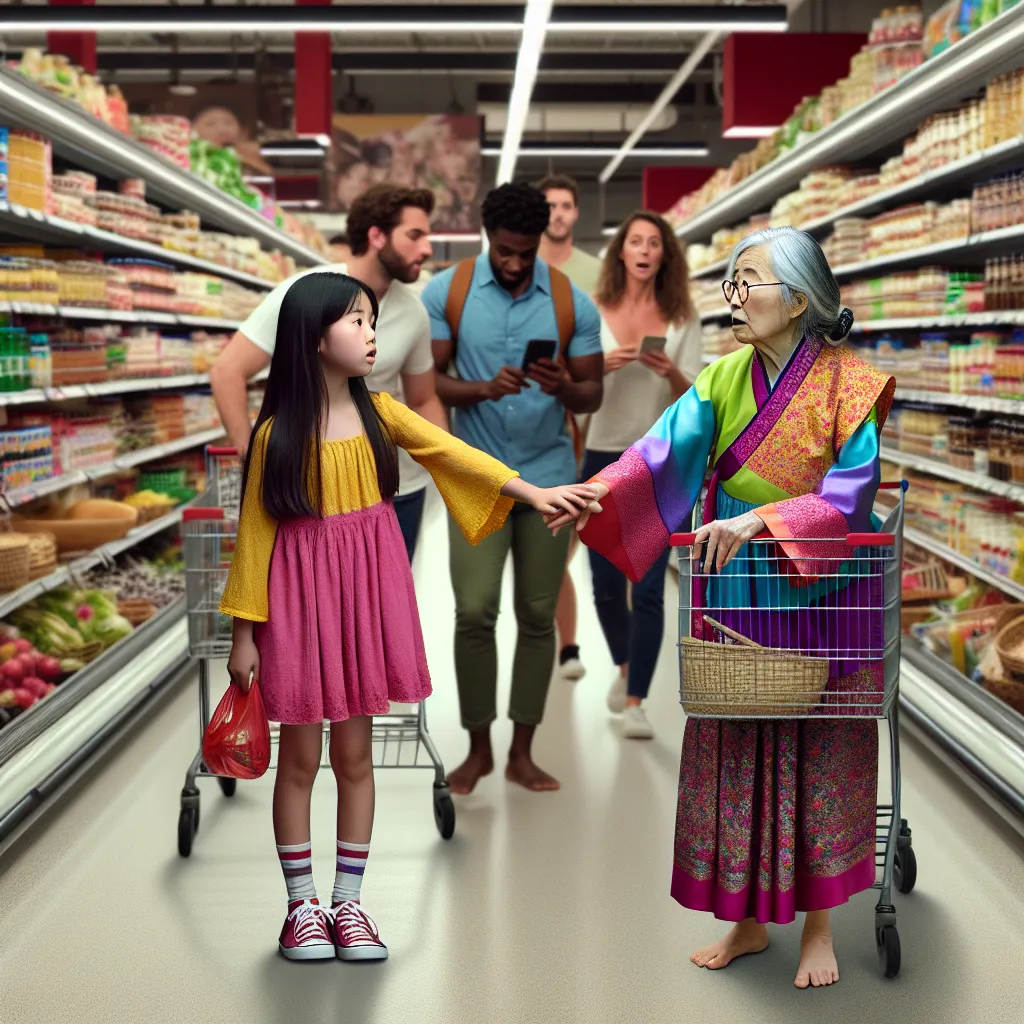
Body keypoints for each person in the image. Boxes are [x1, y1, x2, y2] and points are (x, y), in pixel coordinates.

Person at [549, 226, 895, 989]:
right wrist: (598, 495)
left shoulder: (851, 384)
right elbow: (661, 450)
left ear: (800, 297)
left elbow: (854, 489)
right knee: (735, 730)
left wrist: (760, 521)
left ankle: (817, 927)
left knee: (815, 736)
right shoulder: (724, 376)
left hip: (813, 584)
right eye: (731, 283)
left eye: (751, 282)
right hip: (734, 580)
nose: (734, 297)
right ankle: (744, 918)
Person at [220, 272, 595, 963]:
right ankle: (300, 907)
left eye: (371, 320)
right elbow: (254, 537)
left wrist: (532, 493)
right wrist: (245, 634)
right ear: (312, 337)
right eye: (357, 322)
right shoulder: (275, 434)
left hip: (363, 598)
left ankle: (349, 906)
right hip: (298, 606)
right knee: (300, 759)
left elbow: (454, 453)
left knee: (357, 757)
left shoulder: (380, 414)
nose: (372, 333)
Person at [423, 182, 603, 795]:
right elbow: (427, 386)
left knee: (535, 613)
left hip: (550, 475)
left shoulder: (570, 302)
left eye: (526, 252)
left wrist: (559, 387)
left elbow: (592, 394)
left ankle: (523, 751)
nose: (517, 263)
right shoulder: (445, 292)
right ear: (487, 237)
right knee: (474, 610)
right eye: (506, 250)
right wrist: (479, 388)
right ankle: (478, 748)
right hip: (475, 477)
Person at [210, 184, 444, 560]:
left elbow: (424, 397)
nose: (427, 249)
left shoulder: (414, 312)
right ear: (377, 236)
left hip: (396, 485)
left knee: (389, 606)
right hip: (317, 483)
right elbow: (227, 371)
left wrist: (444, 462)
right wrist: (251, 459)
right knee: (325, 604)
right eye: (415, 236)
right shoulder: (308, 294)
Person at [586, 211, 703, 740]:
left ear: (664, 255)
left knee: (650, 588)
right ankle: (626, 665)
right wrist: (597, 369)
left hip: (658, 461)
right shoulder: (593, 311)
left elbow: (699, 398)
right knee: (606, 586)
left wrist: (671, 373)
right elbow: (572, 385)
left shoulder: (681, 317)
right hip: (600, 455)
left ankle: (637, 701)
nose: (644, 249)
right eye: (635, 240)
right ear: (621, 252)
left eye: (654, 242)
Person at [535, 173, 603, 682]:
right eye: (548, 206)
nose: (557, 214)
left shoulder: (595, 274)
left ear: (576, 212)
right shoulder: (520, 267)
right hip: (520, 422)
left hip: (581, 422)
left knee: (561, 540)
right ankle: (543, 640)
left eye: (565, 205)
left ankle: (568, 644)